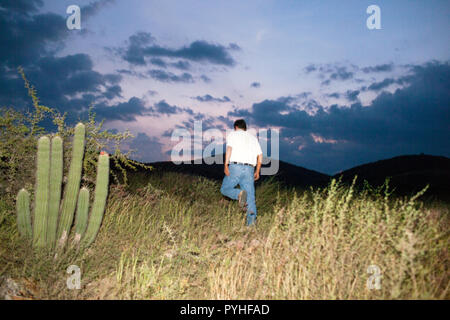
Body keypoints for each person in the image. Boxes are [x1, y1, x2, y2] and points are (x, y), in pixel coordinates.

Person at [220, 119, 263, 226]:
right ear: (245, 128)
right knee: (250, 198)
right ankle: (251, 226)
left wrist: (225, 164)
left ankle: (238, 194)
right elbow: (260, 155)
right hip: (249, 169)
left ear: (236, 127)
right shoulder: (253, 138)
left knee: (225, 189)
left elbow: (229, 149)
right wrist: (257, 171)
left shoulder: (233, 135)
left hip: (236, 167)